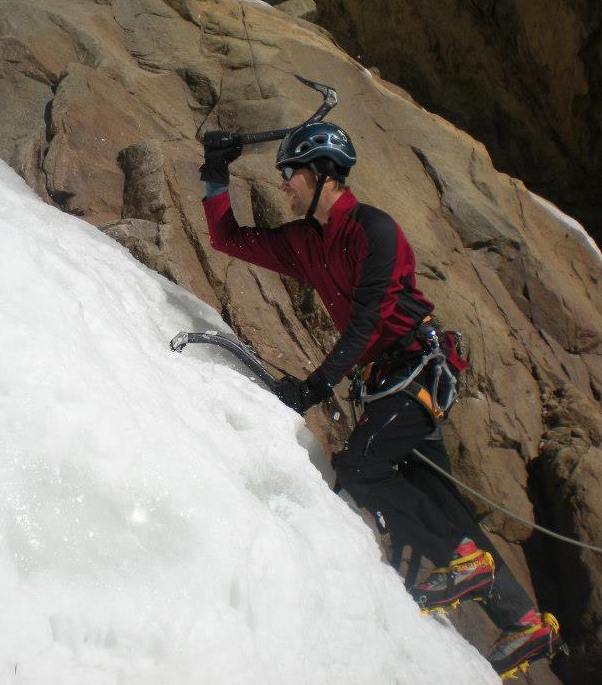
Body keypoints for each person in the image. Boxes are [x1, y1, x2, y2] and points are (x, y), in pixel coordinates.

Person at [198, 122, 561, 677]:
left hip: (414, 371)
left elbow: (368, 320)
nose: (285, 184)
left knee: (362, 465)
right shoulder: (306, 242)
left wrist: (315, 386)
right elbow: (228, 239)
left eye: (291, 173)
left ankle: (461, 562)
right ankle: (523, 622)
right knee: (440, 502)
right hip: (390, 384)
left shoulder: (375, 231)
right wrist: (214, 175)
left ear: (322, 175)